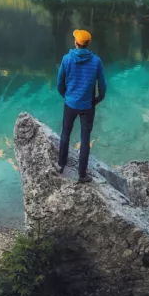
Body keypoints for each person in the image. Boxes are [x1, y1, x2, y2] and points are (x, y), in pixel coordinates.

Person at [55, 29, 107, 182]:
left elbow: (60, 83)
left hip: (70, 103)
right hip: (88, 106)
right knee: (85, 139)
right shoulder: (96, 61)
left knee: (66, 133)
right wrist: (98, 99)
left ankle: (60, 165)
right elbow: (102, 85)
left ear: (76, 42)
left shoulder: (67, 59)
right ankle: (82, 175)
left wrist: (66, 96)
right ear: (88, 44)